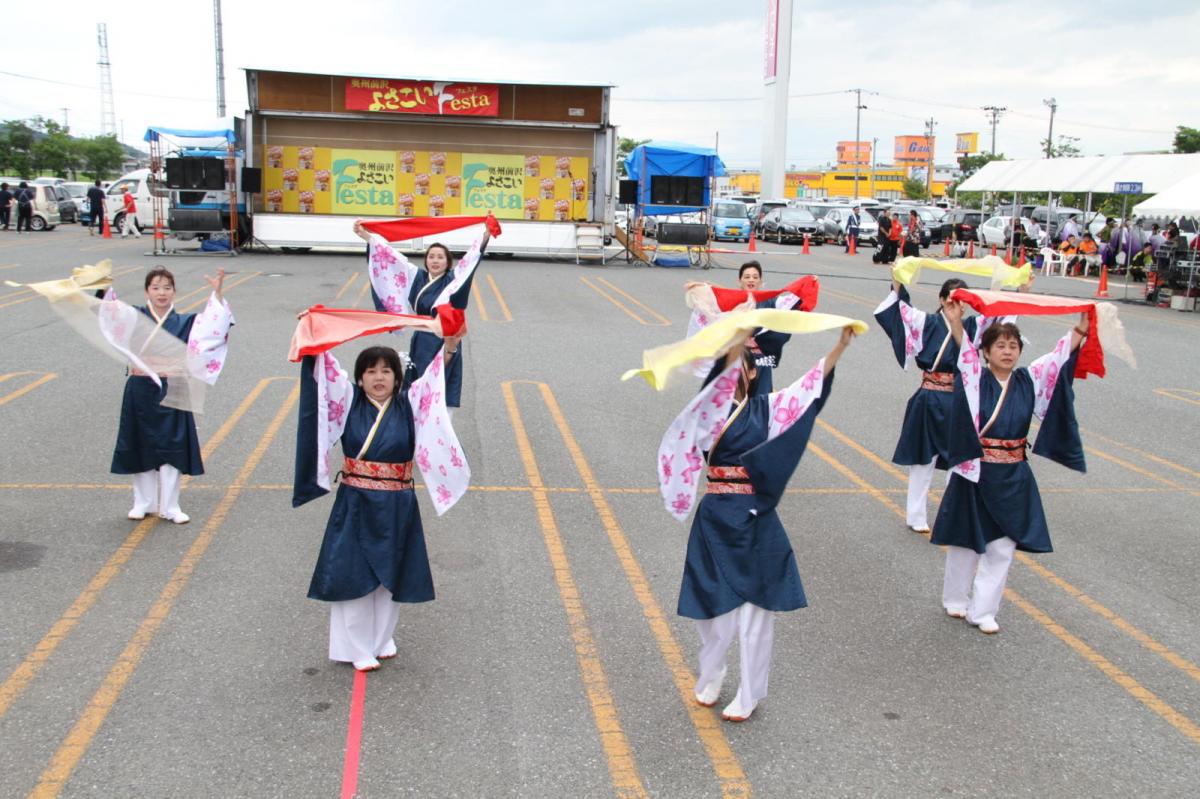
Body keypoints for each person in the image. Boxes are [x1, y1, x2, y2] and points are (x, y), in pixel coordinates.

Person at [668, 324, 855, 721]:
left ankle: (750, 693)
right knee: (709, 610)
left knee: (756, 614)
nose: (734, 371)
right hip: (715, 517)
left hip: (755, 518)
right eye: (727, 365)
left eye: (742, 365)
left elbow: (807, 389)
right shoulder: (705, 413)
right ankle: (714, 669)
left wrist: (838, 347)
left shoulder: (768, 409)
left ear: (753, 372)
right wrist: (714, 321)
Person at [293, 342, 468, 672]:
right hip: (356, 502)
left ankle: (381, 638)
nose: (378, 377)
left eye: (386, 371)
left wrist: (451, 347)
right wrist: (315, 341)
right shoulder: (347, 401)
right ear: (359, 378)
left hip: (398, 502)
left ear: (398, 378)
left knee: (391, 576)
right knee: (354, 575)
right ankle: (355, 646)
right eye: (370, 371)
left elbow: (435, 380)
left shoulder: (410, 405)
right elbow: (326, 375)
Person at [933, 303, 1090, 634]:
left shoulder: (1028, 379)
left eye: (1013, 346)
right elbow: (963, 356)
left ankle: (984, 611)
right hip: (975, 471)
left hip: (1013, 474)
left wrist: (1081, 328)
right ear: (986, 352)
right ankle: (956, 599)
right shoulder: (976, 378)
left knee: (1002, 546)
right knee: (965, 540)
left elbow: (1059, 358)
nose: (1007, 351)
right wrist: (957, 321)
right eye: (1000, 346)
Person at [874, 276, 1027, 532]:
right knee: (924, 460)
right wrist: (897, 281)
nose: (958, 304)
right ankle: (916, 515)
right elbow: (899, 312)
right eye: (952, 299)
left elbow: (1001, 321)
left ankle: (950, 516)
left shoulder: (973, 326)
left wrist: (1021, 292)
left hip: (960, 399)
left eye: (963, 300)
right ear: (942, 299)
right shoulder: (927, 322)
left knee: (959, 460)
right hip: (930, 397)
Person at [111, 266, 233, 524]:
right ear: (147, 291)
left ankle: (170, 506)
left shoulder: (186, 322)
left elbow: (215, 324)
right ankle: (142, 503)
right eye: (156, 287)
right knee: (141, 444)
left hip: (173, 385)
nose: (161, 293)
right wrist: (101, 287)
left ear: (174, 291)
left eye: (167, 287)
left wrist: (218, 293)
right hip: (141, 387)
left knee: (173, 445)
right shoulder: (135, 316)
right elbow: (108, 314)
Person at [355, 220, 491, 408]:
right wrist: (367, 236)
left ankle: (439, 427)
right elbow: (391, 257)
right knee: (417, 387)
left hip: (446, 340)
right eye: (431, 256)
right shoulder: (416, 277)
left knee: (440, 387)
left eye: (440, 257)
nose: (435, 261)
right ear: (426, 260)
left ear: (448, 261)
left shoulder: (454, 279)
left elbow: (471, 259)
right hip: (421, 340)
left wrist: (486, 234)